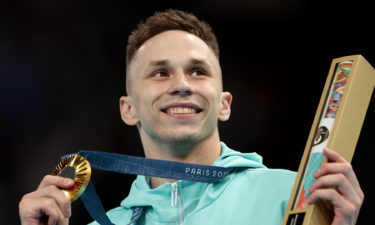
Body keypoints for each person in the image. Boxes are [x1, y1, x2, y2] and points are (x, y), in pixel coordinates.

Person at [19, 9, 364, 225]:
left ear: (225, 104)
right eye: (159, 73)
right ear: (129, 109)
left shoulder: (295, 197)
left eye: (198, 71)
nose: (182, 85)